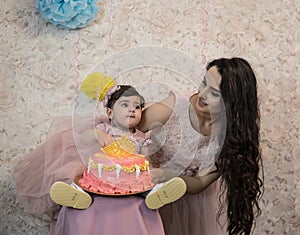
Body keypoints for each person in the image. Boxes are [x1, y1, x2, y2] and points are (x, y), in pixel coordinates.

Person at [135, 57, 264, 235]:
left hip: (184, 199)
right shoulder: (177, 105)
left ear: (232, 102)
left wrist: (171, 176)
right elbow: (132, 129)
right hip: (143, 185)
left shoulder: (231, 136)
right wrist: (146, 161)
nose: (202, 93)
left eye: (214, 93)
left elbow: (201, 182)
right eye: (204, 83)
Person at [49, 79, 187, 211]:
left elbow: (146, 161)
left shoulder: (140, 137)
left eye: (137, 106)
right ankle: (76, 194)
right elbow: (82, 139)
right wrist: (97, 134)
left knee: (148, 182)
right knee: (83, 178)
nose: (132, 109)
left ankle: (155, 194)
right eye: (125, 105)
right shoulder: (104, 129)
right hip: (101, 178)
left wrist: (151, 172)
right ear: (110, 112)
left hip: (131, 182)